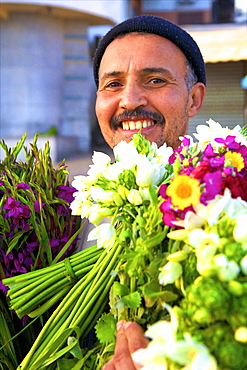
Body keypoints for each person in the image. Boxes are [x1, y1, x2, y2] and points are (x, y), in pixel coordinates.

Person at [92, 15, 207, 369]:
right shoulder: (70, 218)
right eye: (112, 84)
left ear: (193, 99)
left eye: (155, 80)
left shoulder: (228, 207)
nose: (128, 100)